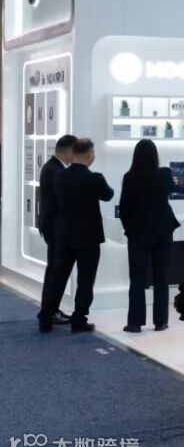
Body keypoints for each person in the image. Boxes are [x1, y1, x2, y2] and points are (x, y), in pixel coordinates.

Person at [38, 139, 114, 333]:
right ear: (88, 154)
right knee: (85, 280)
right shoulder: (95, 178)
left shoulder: (60, 176)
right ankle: (79, 319)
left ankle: (46, 316)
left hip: (65, 234)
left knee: (58, 276)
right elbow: (108, 195)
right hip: (88, 236)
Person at [118, 139, 180, 333]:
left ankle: (135, 323)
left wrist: (129, 230)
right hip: (163, 231)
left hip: (138, 233)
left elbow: (124, 208)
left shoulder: (129, 177)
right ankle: (161, 322)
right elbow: (173, 190)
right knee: (161, 277)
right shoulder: (164, 174)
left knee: (137, 279)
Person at [35, 134, 77, 327]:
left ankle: (50, 310)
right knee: (57, 272)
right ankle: (49, 312)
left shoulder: (50, 167)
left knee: (54, 271)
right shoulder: (56, 171)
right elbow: (62, 202)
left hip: (51, 226)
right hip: (57, 229)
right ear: (68, 151)